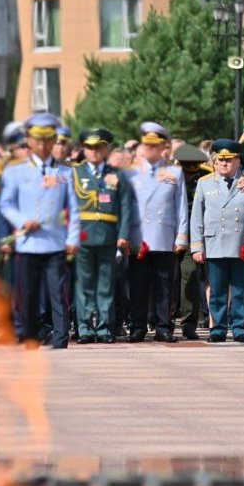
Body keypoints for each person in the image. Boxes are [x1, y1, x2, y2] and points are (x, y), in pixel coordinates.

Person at [0, 113, 80, 348]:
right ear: (29, 142)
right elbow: (6, 204)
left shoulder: (65, 173)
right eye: (37, 140)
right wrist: (22, 221)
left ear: (54, 140)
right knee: (29, 293)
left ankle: (61, 337)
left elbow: (73, 208)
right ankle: (31, 335)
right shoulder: (14, 172)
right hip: (29, 242)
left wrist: (73, 237)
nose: (42, 146)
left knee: (58, 292)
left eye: (47, 140)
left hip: (55, 242)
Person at [190, 140, 244, 343]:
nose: (223, 164)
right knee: (217, 290)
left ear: (238, 162)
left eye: (228, 160)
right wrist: (197, 246)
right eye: (220, 160)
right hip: (215, 243)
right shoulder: (205, 183)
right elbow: (197, 217)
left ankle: (240, 327)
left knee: (241, 290)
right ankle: (217, 327)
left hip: (242, 244)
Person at [124, 122, 188, 343]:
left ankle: (163, 326)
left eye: (155, 145)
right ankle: (138, 326)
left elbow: (181, 206)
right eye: (147, 145)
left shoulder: (174, 172)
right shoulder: (132, 173)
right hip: (139, 237)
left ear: (164, 147)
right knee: (138, 285)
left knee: (164, 285)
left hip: (163, 235)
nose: (150, 149)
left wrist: (181, 235)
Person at [72, 128, 132, 343]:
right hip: (83, 236)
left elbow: (125, 207)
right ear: (83, 150)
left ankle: (105, 328)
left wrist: (124, 234)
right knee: (84, 285)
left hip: (108, 236)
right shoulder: (75, 173)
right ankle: (85, 328)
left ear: (106, 149)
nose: (94, 151)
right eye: (89, 147)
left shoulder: (116, 175)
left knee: (106, 284)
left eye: (98, 147)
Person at [171, 143, 213, 339]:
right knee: (167, 281)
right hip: (168, 234)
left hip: (192, 236)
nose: (189, 176)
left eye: (192, 171)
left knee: (190, 277)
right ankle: (165, 321)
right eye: (185, 170)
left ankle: (189, 324)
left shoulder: (205, 177)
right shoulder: (168, 176)